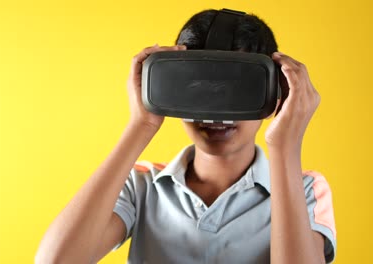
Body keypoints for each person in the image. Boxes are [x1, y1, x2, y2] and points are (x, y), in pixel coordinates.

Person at [35, 9, 336, 264]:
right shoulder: (141, 185)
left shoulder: (306, 188)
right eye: (197, 88)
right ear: (170, 88)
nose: (217, 115)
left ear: (275, 93)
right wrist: (141, 124)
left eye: (237, 90)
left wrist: (285, 147)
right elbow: (55, 260)